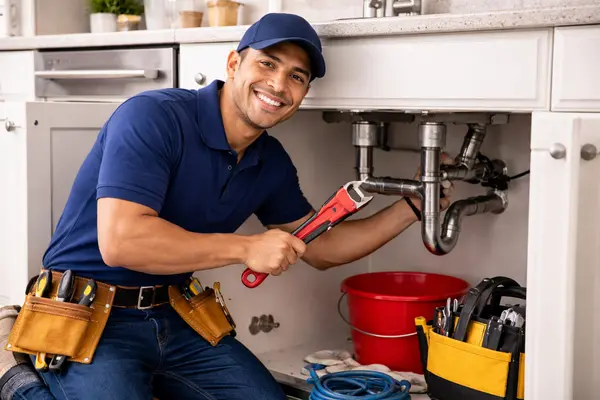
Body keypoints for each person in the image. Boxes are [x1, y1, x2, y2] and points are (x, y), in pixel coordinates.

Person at [0, 12, 452, 400]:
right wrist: (245, 248)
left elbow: (321, 247)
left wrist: (413, 205)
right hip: (87, 312)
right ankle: (8, 364)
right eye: (268, 63)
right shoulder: (154, 117)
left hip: (174, 314)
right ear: (234, 63)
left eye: (297, 76)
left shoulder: (269, 161)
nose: (279, 84)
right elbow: (123, 243)